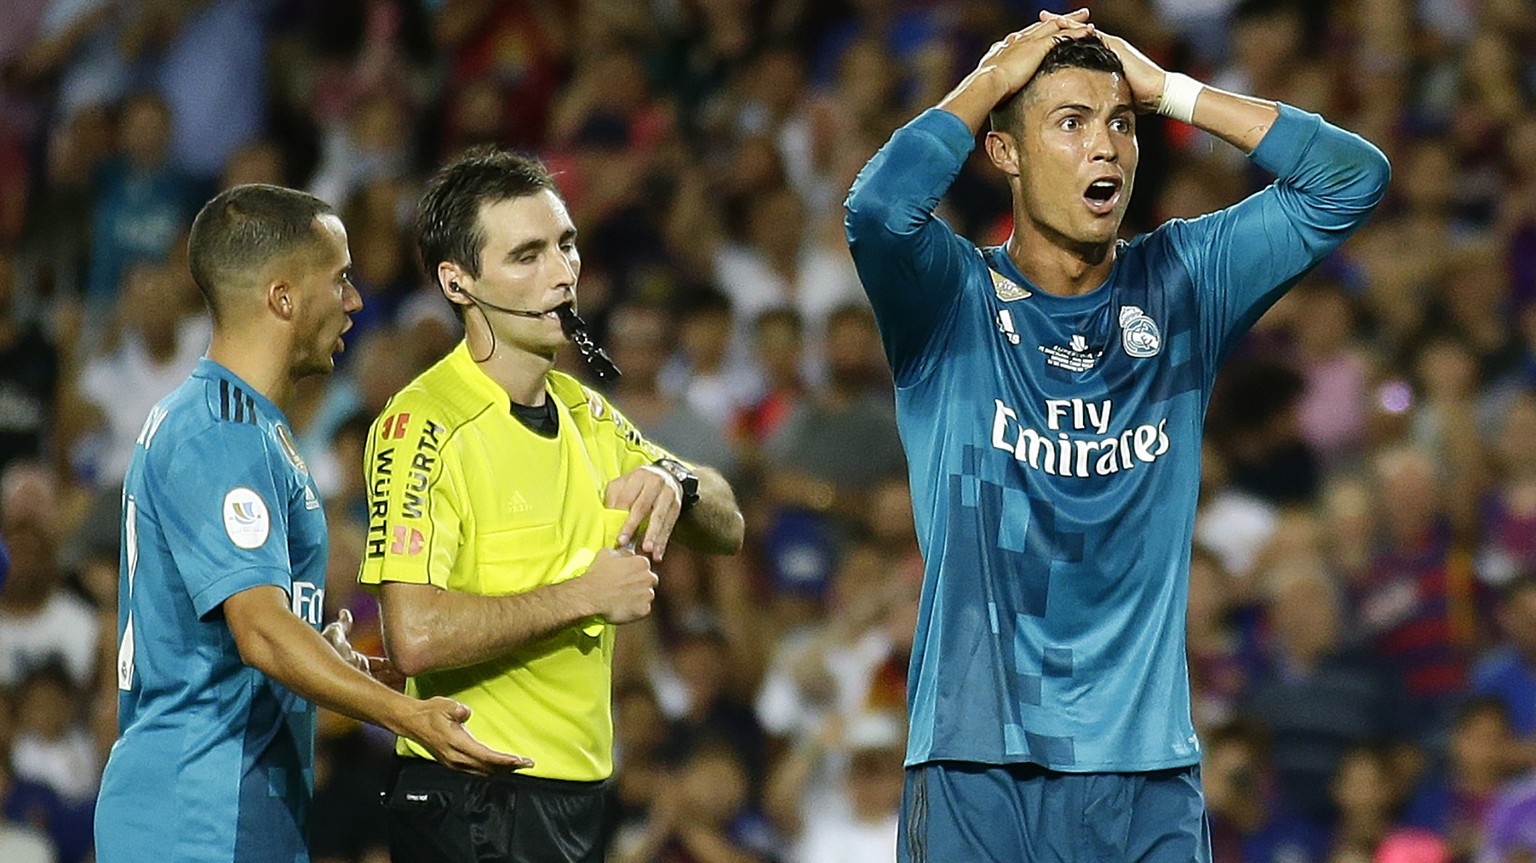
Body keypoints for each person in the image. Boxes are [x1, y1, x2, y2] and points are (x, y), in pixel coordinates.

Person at [843, 9, 1389, 862]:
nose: (1106, 147)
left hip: (1147, 774)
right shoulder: (951, 300)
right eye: (1070, 122)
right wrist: (992, 76)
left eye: (1121, 124)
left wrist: (1171, 89)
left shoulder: (1182, 283)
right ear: (1006, 155)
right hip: (976, 763)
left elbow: (1351, 178)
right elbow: (877, 212)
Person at [94, 184, 531, 863]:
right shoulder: (220, 433)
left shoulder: (252, 430)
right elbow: (261, 630)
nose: (355, 300)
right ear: (283, 297)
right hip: (201, 811)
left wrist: (326, 651)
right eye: (341, 279)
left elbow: (260, 625)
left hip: (241, 802)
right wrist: (410, 718)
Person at [361, 147, 745, 863]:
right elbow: (412, 634)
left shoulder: (587, 411)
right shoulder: (422, 427)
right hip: (473, 796)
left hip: (576, 795)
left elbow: (728, 527)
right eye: (527, 255)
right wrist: (584, 595)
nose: (562, 274)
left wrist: (673, 477)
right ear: (459, 281)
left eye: (565, 245)